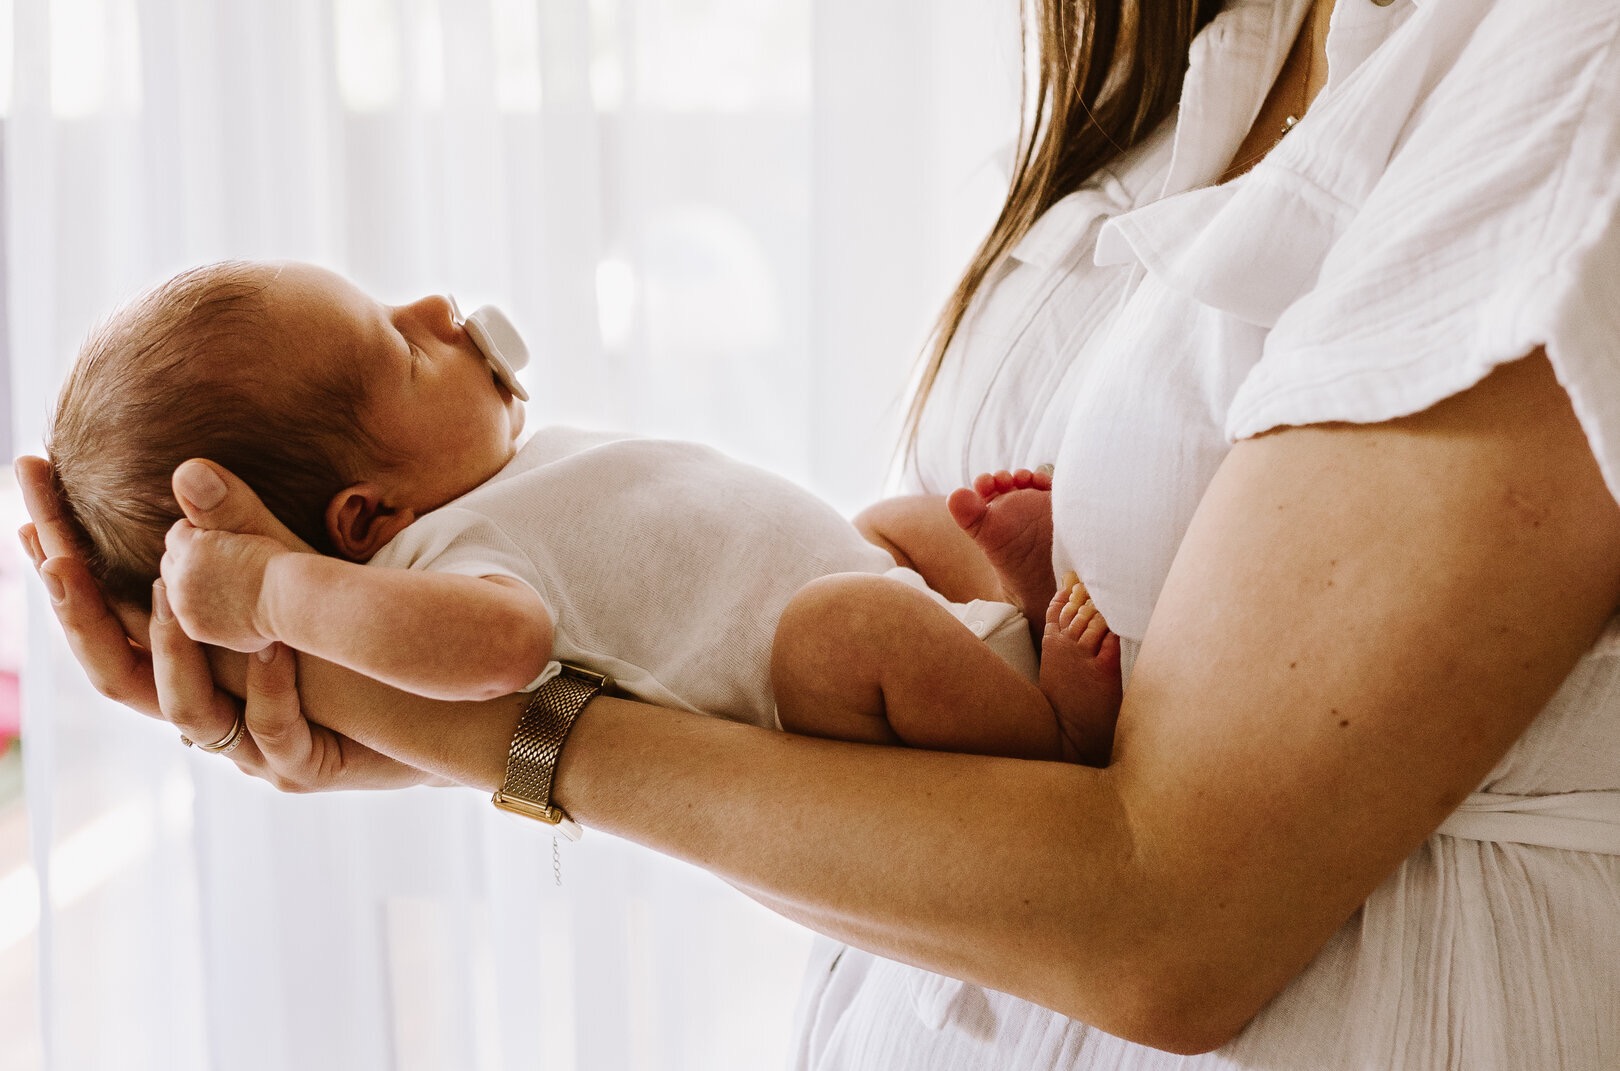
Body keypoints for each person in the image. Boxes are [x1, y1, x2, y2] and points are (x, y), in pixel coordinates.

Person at [16, 0, 1620, 1065]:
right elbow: (864, 786)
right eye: (386, 337)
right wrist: (403, 692)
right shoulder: (1183, 52)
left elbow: (1167, 923)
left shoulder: (1560, 65)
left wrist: (478, 729)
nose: (438, 310)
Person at [45, 258, 1123, 763]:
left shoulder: (488, 491)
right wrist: (279, 591)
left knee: (896, 524)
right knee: (866, 619)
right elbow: (505, 650)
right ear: (363, 523)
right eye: (405, 347)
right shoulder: (442, 561)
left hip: (862, 583)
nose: (434, 307)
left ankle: (1006, 617)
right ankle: (1053, 729)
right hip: (823, 680)